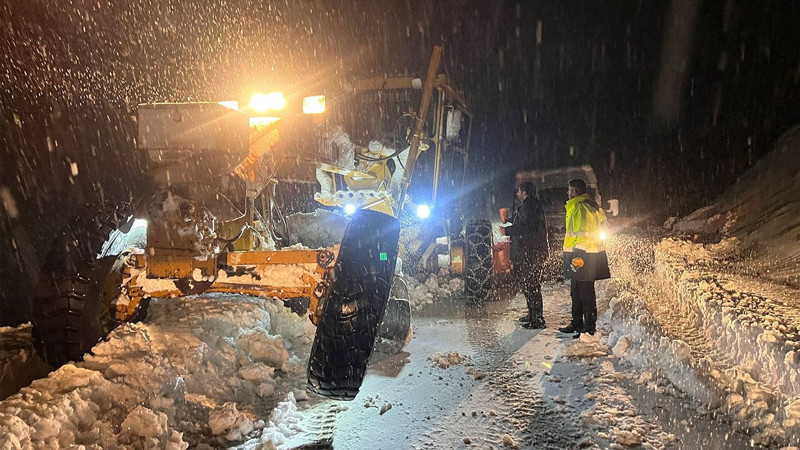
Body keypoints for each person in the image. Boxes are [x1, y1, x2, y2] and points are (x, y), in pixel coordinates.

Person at [557, 178, 611, 338]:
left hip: (584, 257)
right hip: (583, 255)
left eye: (569, 190)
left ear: (575, 191)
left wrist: (577, 259)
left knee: (585, 293)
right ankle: (577, 323)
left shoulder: (582, 207)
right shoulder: (586, 206)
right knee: (576, 292)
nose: (567, 193)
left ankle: (588, 327)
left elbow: (583, 235)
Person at [501, 181, 549, 329]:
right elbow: (522, 221)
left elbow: (526, 226)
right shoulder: (528, 206)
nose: (517, 194)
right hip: (528, 251)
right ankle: (532, 314)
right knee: (528, 284)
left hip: (531, 252)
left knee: (532, 284)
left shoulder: (530, 206)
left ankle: (537, 319)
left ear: (525, 192)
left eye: (519, 191)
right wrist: (508, 221)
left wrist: (507, 231)